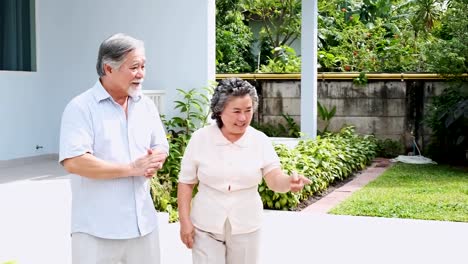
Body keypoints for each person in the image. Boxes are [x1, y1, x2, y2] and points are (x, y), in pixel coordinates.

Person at [59, 33, 169, 264]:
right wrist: (131, 168)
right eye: (134, 67)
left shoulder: (146, 106)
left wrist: (156, 160)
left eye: (143, 66)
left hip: (143, 226)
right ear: (109, 69)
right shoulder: (81, 108)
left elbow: (160, 145)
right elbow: (75, 161)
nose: (141, 74)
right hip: (97, 231)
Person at [177, 78, 311, 264]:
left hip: (246, 225)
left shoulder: (259, 140)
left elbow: (274, 178)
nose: (243, 118)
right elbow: (186, 182)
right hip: (205, 225)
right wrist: (184, 221)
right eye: (236, 111)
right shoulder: (201, 138)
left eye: (248, 111)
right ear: (219, 110)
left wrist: (289, 182)